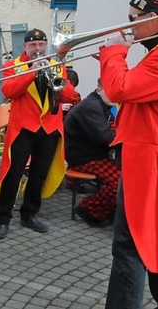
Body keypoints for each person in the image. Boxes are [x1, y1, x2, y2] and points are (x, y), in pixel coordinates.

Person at [101, 0, 158, 308]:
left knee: (129, 243)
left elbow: (119, 89)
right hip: (152, 154)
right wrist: (112, 61)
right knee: (155, 240)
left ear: (152, 20)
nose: (129, 28)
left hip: (152, 157)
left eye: (132, 20)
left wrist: (114, 55)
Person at [0, 28, 76, 240]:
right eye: (33, 46)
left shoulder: (56, 64)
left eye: (41, 45)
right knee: (14, 173)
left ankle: (29, 214)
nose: (38, 49)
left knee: (39, 174)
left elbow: (69, 96)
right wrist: (31, 71)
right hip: (23, 128)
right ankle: (3, 218)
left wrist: (56, 76)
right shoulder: (13, 66)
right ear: (25, 47)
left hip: (49, 128)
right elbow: (8, 91)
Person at [64, 78, 119, 226]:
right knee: (121, 183)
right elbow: (107, 136)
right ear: (99, 90)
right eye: (112, 92)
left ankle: (110, 210)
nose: (116, 96)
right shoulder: (91, 107)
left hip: (96, 155)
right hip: (85, 158)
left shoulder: (100, 104)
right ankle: (88, 209)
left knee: (130, 176)